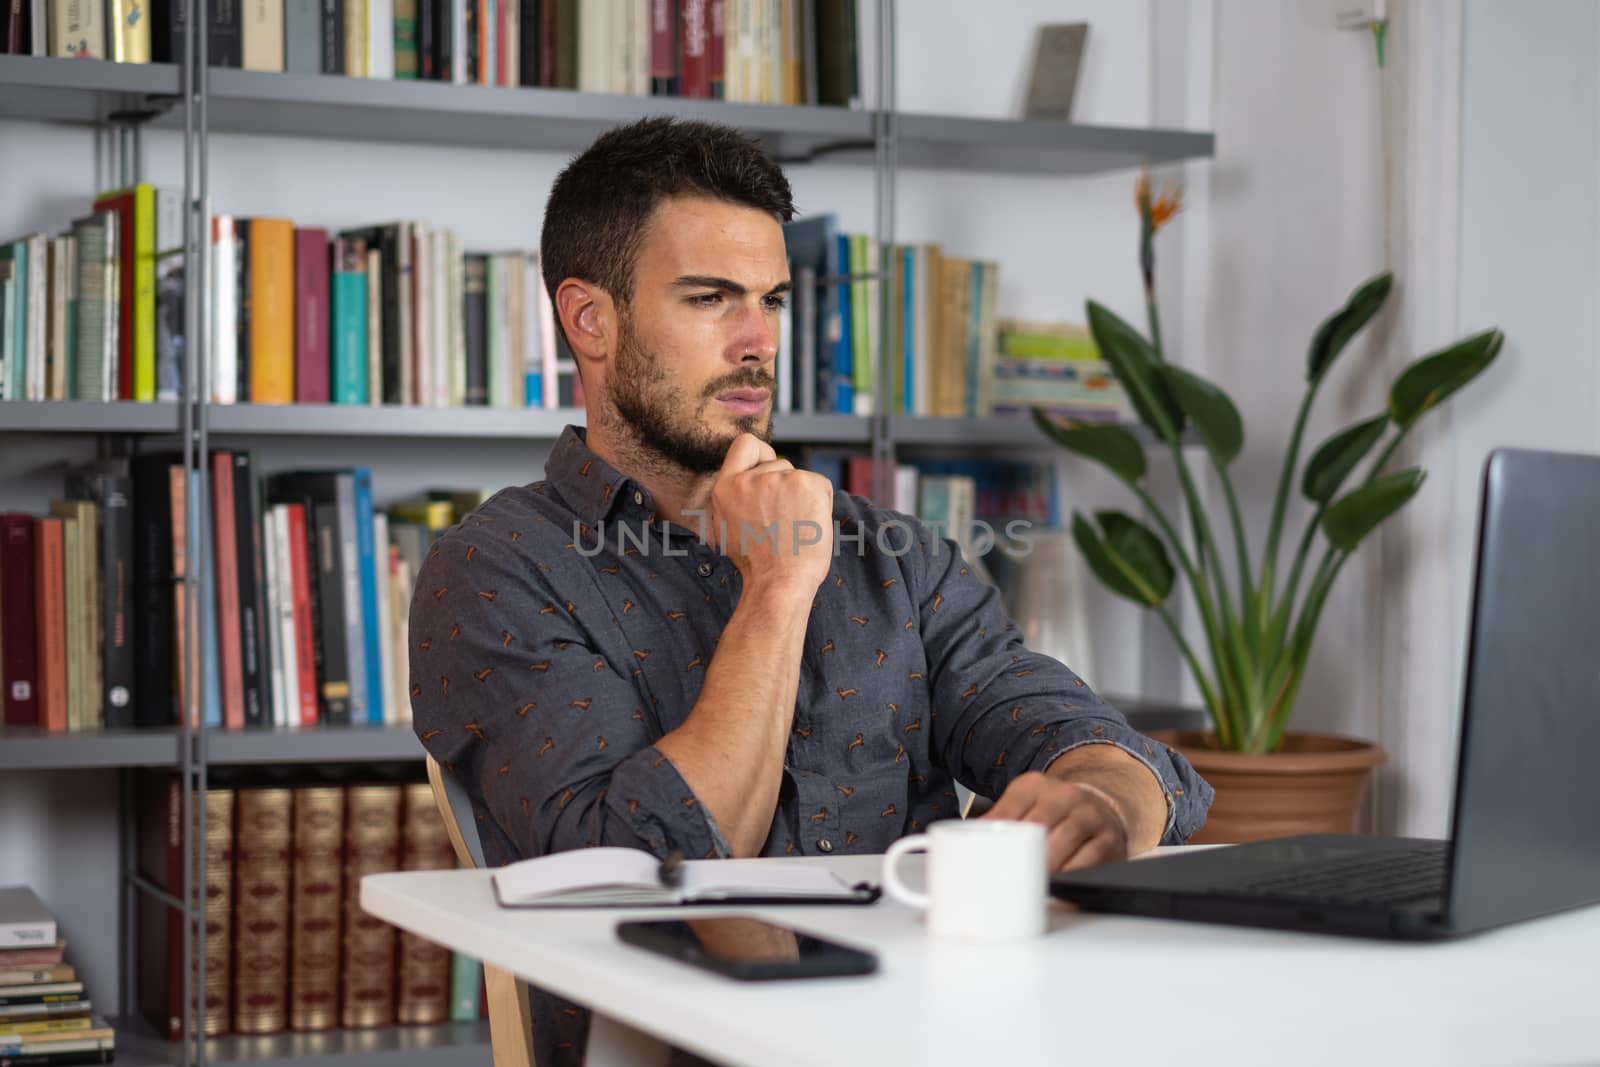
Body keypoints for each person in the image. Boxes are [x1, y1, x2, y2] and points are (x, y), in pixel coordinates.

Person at [411, 116, 1213, 1065]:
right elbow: (642, 864)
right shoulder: (498, 570)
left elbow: (1104, 746)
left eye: (774, 300)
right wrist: (780, 584)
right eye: (711, 298)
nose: (758, 341)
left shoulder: (894, 555)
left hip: (936, 1037)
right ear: (591, 319)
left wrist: (1105, 805)